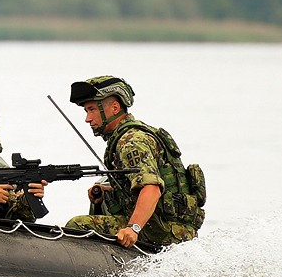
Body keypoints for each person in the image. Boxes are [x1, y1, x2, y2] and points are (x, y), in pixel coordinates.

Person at [64, 76, 205, 248]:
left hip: (160, 231)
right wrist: (108, 190)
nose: (87, 119)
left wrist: (133, 228)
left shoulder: (131, 142)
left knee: (78, 225)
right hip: (173, 228)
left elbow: (152, 188)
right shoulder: (135, 135)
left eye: (92, 110)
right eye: (86, 111)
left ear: (115, 108)